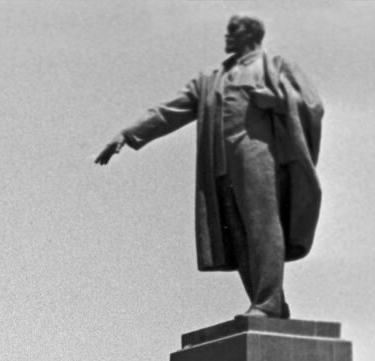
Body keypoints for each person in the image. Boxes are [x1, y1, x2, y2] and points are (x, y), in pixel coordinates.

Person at [96, 15, 323, 319]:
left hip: (258, 156)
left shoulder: (275, 66)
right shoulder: (211, 78)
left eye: (234, 29)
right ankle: (271, 303)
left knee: (262, 227)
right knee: (238, 236)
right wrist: (129, 133)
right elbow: (168, 111)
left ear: (252, 34)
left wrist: (278, 101)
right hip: (221, 162)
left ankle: (267, 303)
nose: (227, 35)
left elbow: (311, 104)